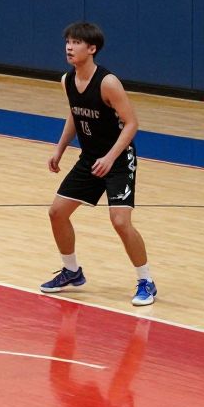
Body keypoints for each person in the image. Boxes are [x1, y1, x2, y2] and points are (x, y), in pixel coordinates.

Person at [40, 22, 156, 306]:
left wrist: (110, 157)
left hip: (117, 159)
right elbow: (75, 114)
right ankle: (71, 271)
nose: (69, 46)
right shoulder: (67, 80)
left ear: (91, 49)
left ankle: (146, 281)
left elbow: (132, 124)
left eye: (76, 42)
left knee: (119, 221)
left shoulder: (108, 82)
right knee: (57, 212)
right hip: (91, 158)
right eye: (67, 41)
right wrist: (60, 149)